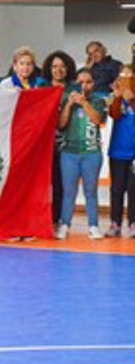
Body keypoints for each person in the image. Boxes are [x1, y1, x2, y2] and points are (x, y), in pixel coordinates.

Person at [56, 69, 107, 240]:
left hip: (91, 152)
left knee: (90, 191)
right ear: (76, 83)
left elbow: (98, 120)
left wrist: (84, 103)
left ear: (93, 84)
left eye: (88, 82)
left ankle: (93, 226)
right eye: (81, 82)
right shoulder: (66, 99)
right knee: (68, 191)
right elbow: (61, 125)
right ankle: (64, 224)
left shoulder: (98, 101)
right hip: (69, 152)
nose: (84, 85)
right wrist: (69, 104)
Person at [42, 51, 78, 226]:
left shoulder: (74, 90)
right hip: (43, 146)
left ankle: (56, 219)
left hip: (66, 145)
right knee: (41, 184)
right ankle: (39, 218)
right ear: (49, 69)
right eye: (55, 66)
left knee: (60, 184)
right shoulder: (42, 89)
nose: (58, 70)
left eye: (62, 66)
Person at [106, 65, 135, 237]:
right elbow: (114, 114)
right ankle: (115, 222)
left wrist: (131, 100)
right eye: (122, 75)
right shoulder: (114, 96)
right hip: (117, 151)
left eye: (129, 75)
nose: (125, 77)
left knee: (134, 188)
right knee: (117, 188)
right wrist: (118, 97)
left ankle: (133, 223)